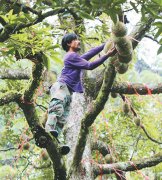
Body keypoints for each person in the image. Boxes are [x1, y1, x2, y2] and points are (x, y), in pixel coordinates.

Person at [45, 33, 116, 154]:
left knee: (62, 119)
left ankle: (56, 143)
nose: (78, 42)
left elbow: (91, 53)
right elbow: (90, 65)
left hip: (69, 91)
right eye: (75, 40)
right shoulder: (70, 56)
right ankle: (48, 129)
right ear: (69, 44)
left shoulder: (75, 57)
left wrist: (107, 44)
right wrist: (107, 54)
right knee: (57, 108)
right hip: (61, 87)